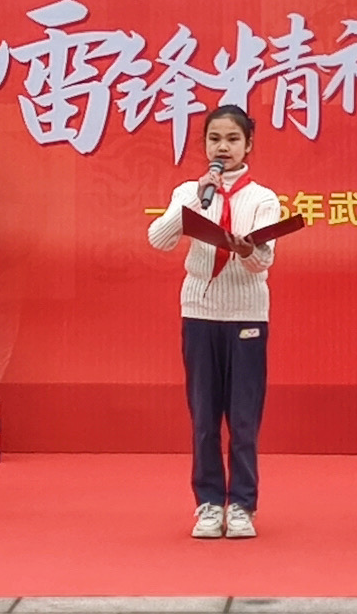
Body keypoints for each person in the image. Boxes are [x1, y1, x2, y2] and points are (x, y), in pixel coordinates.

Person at [147, 105, 281, 539]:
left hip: (246, 315)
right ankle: (207, 503)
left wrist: (247, 250)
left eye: (232, 139)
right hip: (200, 314)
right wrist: (195, 199)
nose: (223, 147)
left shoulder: (263, 198)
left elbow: (263, 261)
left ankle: (241, 504)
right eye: (215, 139)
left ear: (249, 145)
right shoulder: (190, 191)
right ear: (204, 145)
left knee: (243, 418)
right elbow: (158, 239)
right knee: (204, 417)